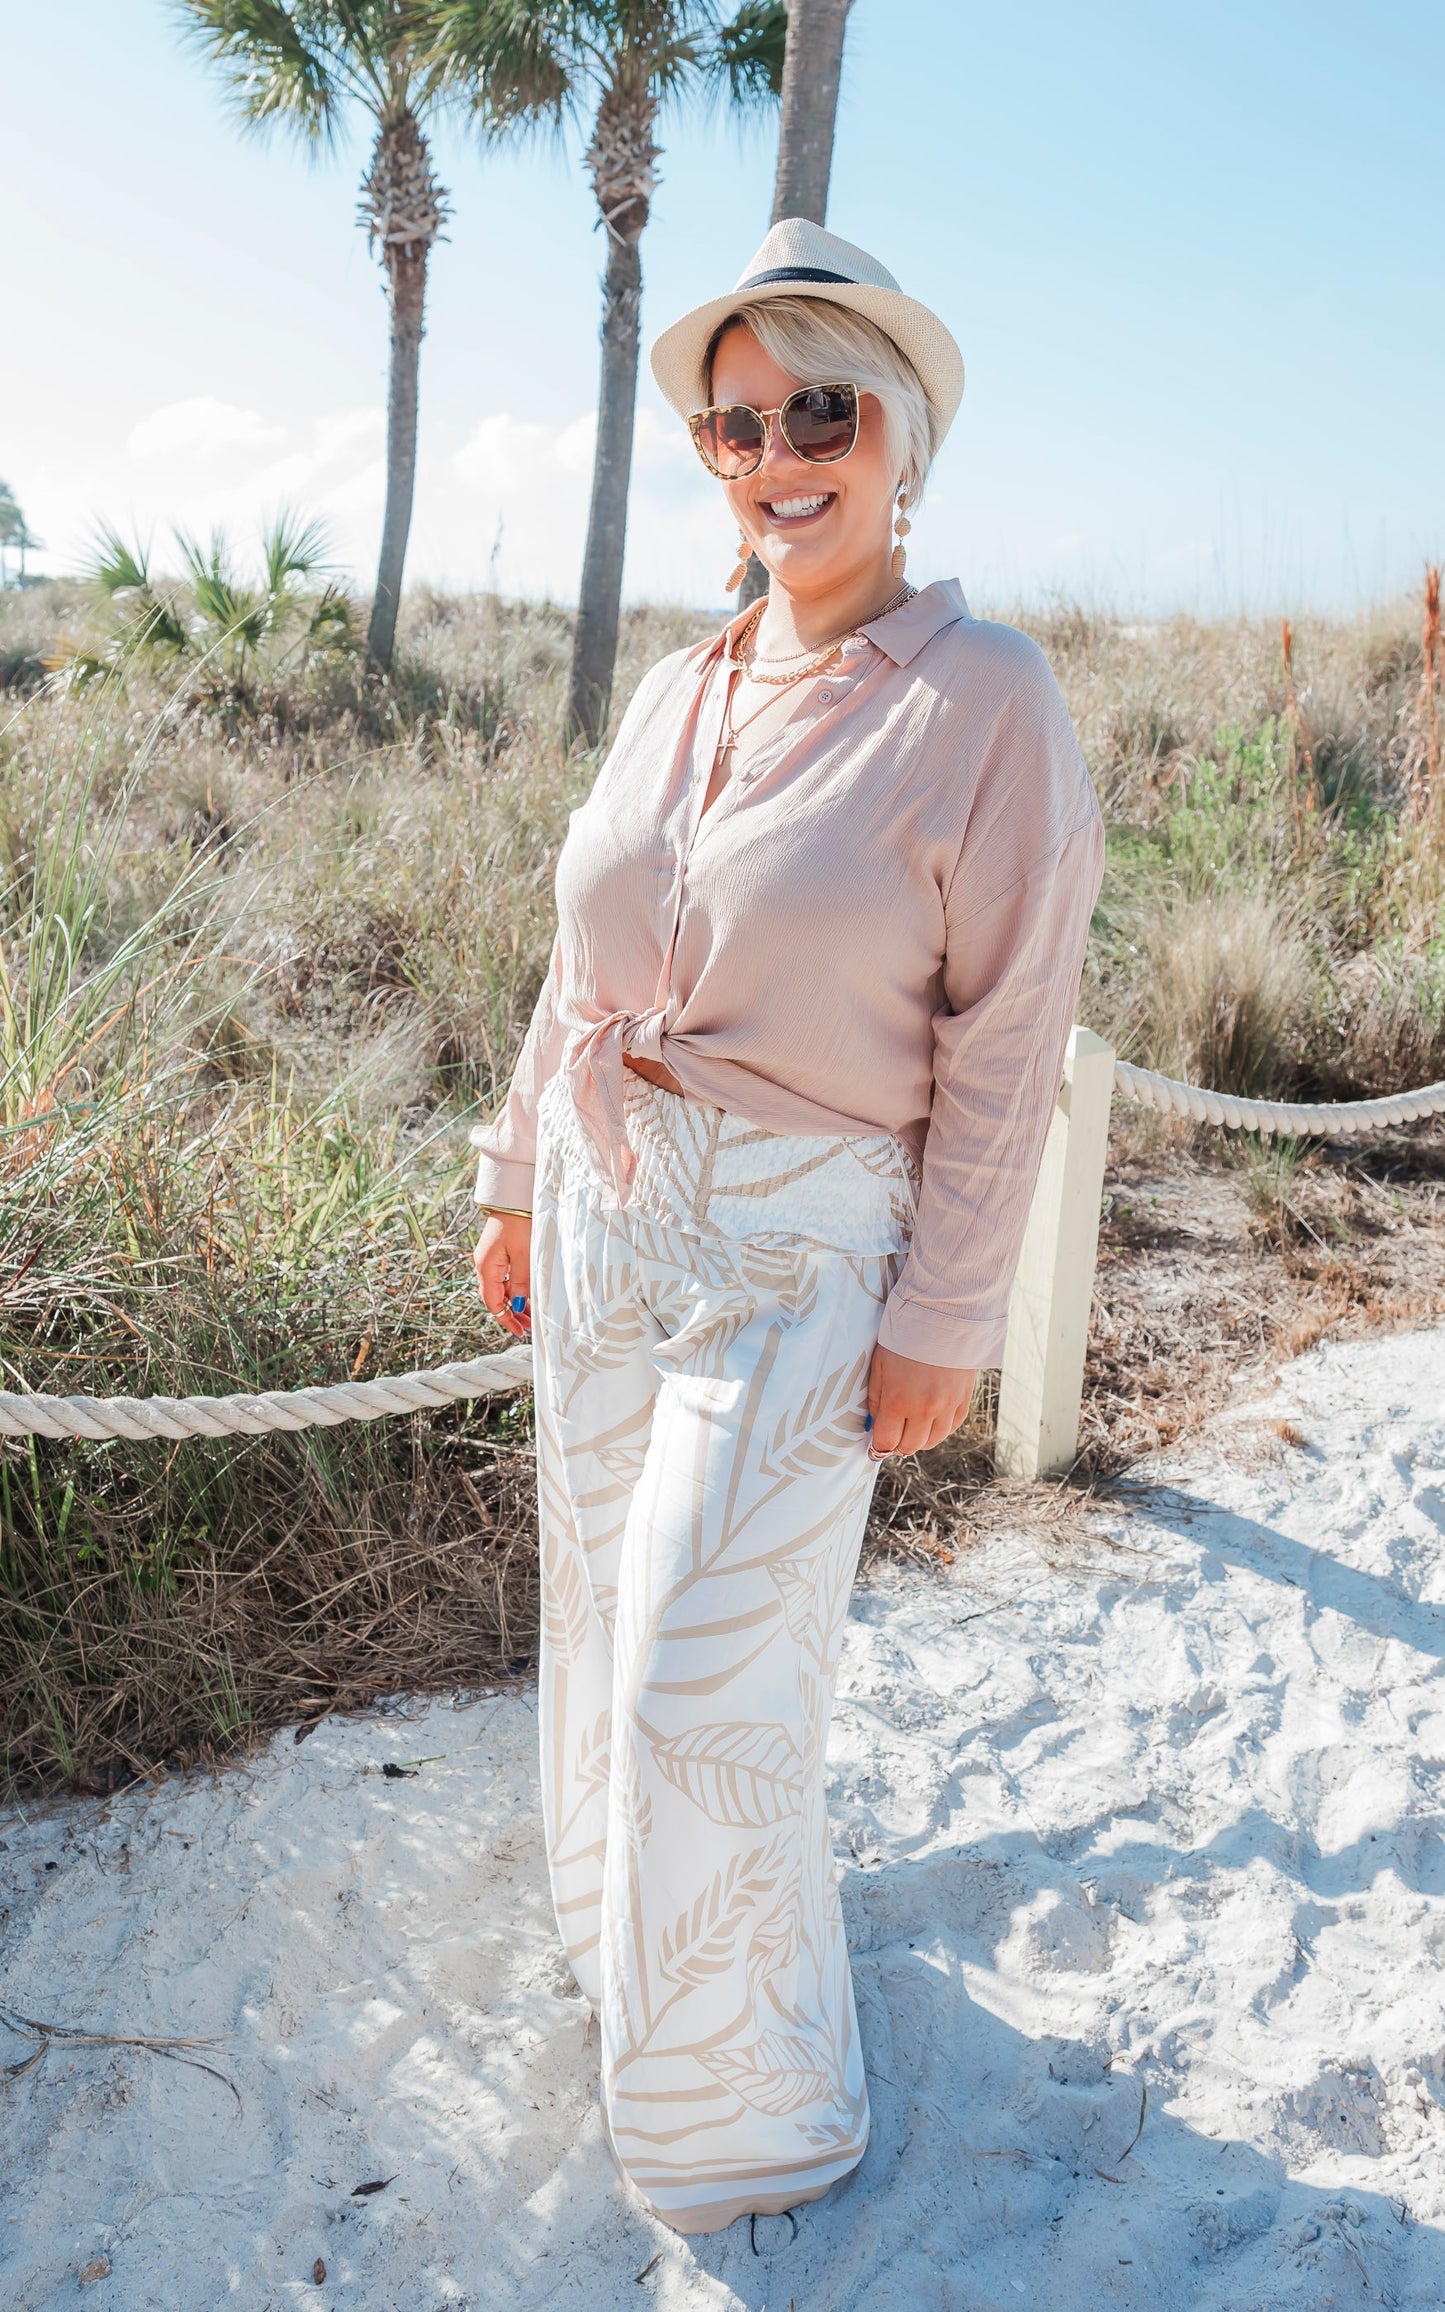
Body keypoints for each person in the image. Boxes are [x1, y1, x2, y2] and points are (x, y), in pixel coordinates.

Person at [470, 218, 1104, 2236]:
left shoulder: (987, 696)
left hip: (807, 1254)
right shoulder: (681, 680)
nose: (772, 453)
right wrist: (512, 1171)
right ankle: (624, 1977)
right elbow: (585, 958)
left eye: (817, 408)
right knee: (593, 1627)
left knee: (699, 1685)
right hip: (607, 1209)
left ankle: (753, 2122)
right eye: (733, 423)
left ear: (900, 434)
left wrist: (950, 1313)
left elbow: (1011, 1036)